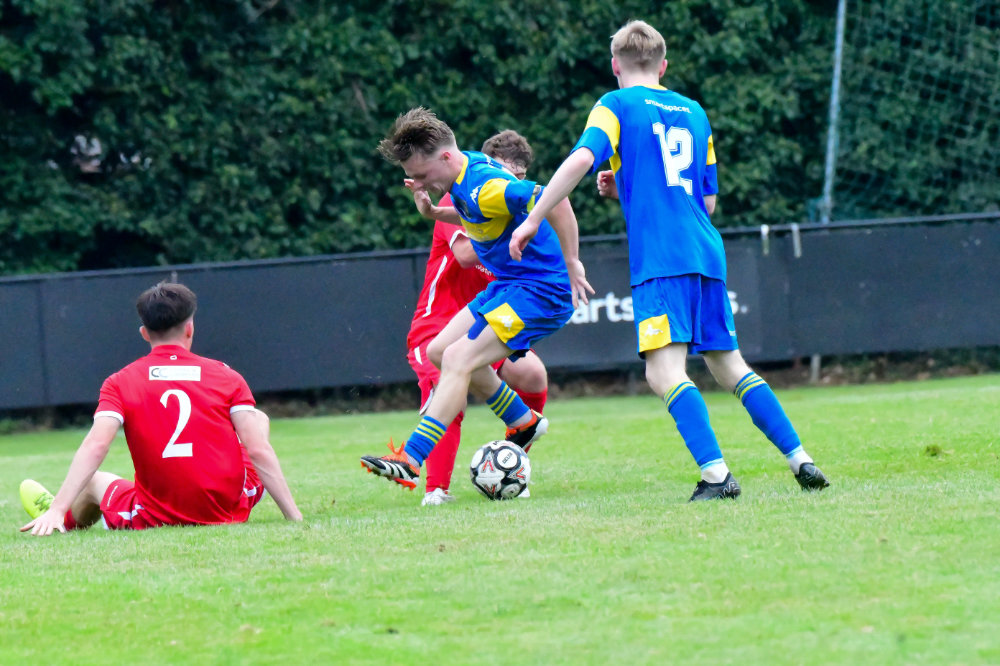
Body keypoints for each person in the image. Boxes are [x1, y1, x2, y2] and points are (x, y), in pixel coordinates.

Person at [511, 20, 829, 501]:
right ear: (663, 66)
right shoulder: (695, 111)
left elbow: (581, 159)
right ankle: (800, 459)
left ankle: (717, 476)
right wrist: (626, 187)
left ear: (615, 65)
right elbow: (706, 201)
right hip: (706, 251)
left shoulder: (615, 104)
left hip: (662, 258)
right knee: (730, 366)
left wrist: (534, 218)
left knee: (663, 372)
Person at [361, 108, 593, 490]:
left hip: (541, 290)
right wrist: (435, 212)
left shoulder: (484, 185)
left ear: (445, 157)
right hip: (511, 284)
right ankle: (523, 421)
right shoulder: (462, 170)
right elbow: (475, 215)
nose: (419, 183)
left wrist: (571, 262)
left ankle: (411, 459)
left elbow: (554, 199)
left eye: (422, 175)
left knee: (458, 358)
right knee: (439, 351)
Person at [19, 282, 302, 536]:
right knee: (257, 419)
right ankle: (56, 515)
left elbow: (96, 445)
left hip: (157, 516)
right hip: (230, 507)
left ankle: (59, 518)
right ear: (190, 327)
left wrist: (59, 508)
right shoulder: (226, 375)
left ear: (144, 333)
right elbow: (257, 450)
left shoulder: (120, 382)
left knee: (94, 482)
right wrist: (294, 516)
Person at [404, 130, 549, 506]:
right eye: (505, 173)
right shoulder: (461, 196)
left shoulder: (509, 204)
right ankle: (436, 490)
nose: (510, 182)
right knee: (448, 375)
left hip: (487, 315)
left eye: (519, 176)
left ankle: (511, 465)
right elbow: (467, 255)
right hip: (439, 319)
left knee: (532, 375)